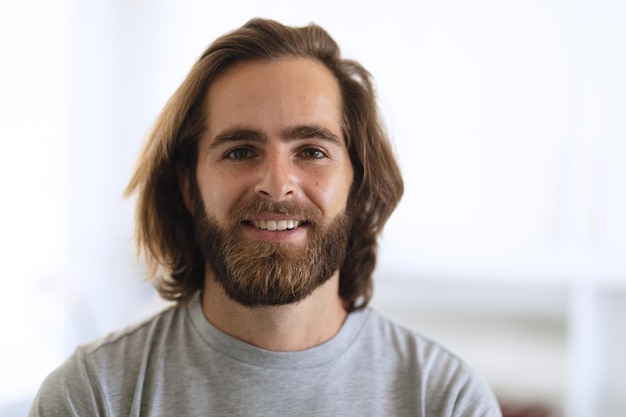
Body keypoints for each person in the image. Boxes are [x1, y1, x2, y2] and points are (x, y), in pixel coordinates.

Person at [30, 18, 502, 417]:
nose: (277, 185)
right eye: (239, 151)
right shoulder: (91, 397)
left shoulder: (446, 399)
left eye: (312, 151)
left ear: (356, 184)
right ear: (188, 187)